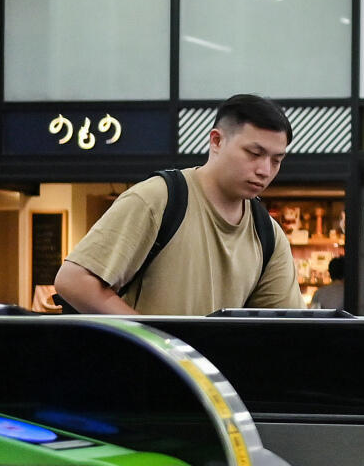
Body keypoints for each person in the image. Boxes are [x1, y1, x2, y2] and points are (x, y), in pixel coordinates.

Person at [54, 95, 297, 316]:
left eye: (276, 160)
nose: (265, 170)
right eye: (254, 153)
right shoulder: (157, 199)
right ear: (216, 141)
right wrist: (158, 340)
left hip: (209, 366)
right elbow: (73, 280)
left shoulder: (269, 234)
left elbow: (285, 326)